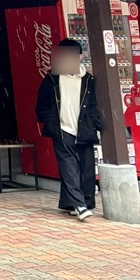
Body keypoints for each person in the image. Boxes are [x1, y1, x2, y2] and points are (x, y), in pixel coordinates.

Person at [35, 38, 104, 221]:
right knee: (69, 168)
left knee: (86, 170)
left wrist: (96, 124)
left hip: (84, 130)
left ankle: (76, 203)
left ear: (79, 56)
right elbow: (41, 106)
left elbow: (95, 106)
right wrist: (51, 124)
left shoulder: (88, 80)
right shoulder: (52, 79)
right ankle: (80, 205)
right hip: (62, 130)